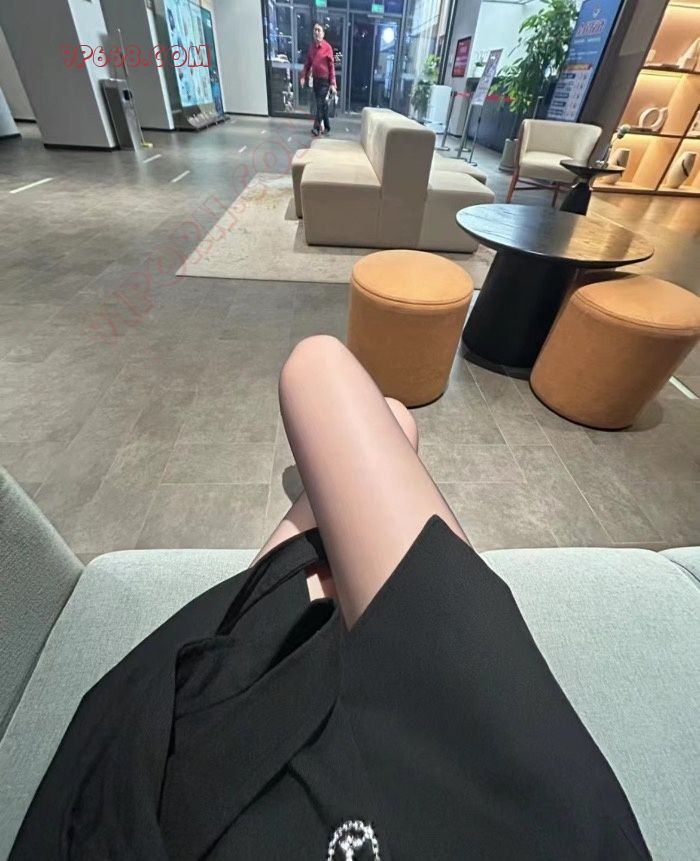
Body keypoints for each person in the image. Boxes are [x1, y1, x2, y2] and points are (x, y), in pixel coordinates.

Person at [11, 337, 651, 859]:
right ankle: (353, 476)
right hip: (520, 807)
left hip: (200, 800)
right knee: (384, 420)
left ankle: (346, 486)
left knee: (330, 375)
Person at [300, 22, 337, 137]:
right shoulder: (311, 48)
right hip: (315, 80)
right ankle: (327, 126)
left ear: (323, 33)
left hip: (325, 81)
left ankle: (316, 128)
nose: (316, 32)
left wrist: (333, 83)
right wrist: (303, 76)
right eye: (315, 30)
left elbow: (331, 67)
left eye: (319, 30)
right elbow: (307, 64)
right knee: (323, 105)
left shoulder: (327, 48)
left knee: (320, 104)